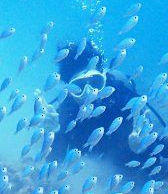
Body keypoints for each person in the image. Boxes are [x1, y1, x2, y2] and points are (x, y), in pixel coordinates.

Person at [47, 39, 144, 177]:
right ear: (68, 89)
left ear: (104, 78)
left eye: (95, 82)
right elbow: (53, 166)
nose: (89, 93)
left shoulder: (122, 97)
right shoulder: (65, 113)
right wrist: (53, 135)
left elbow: (161, 161)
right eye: (79, 86)